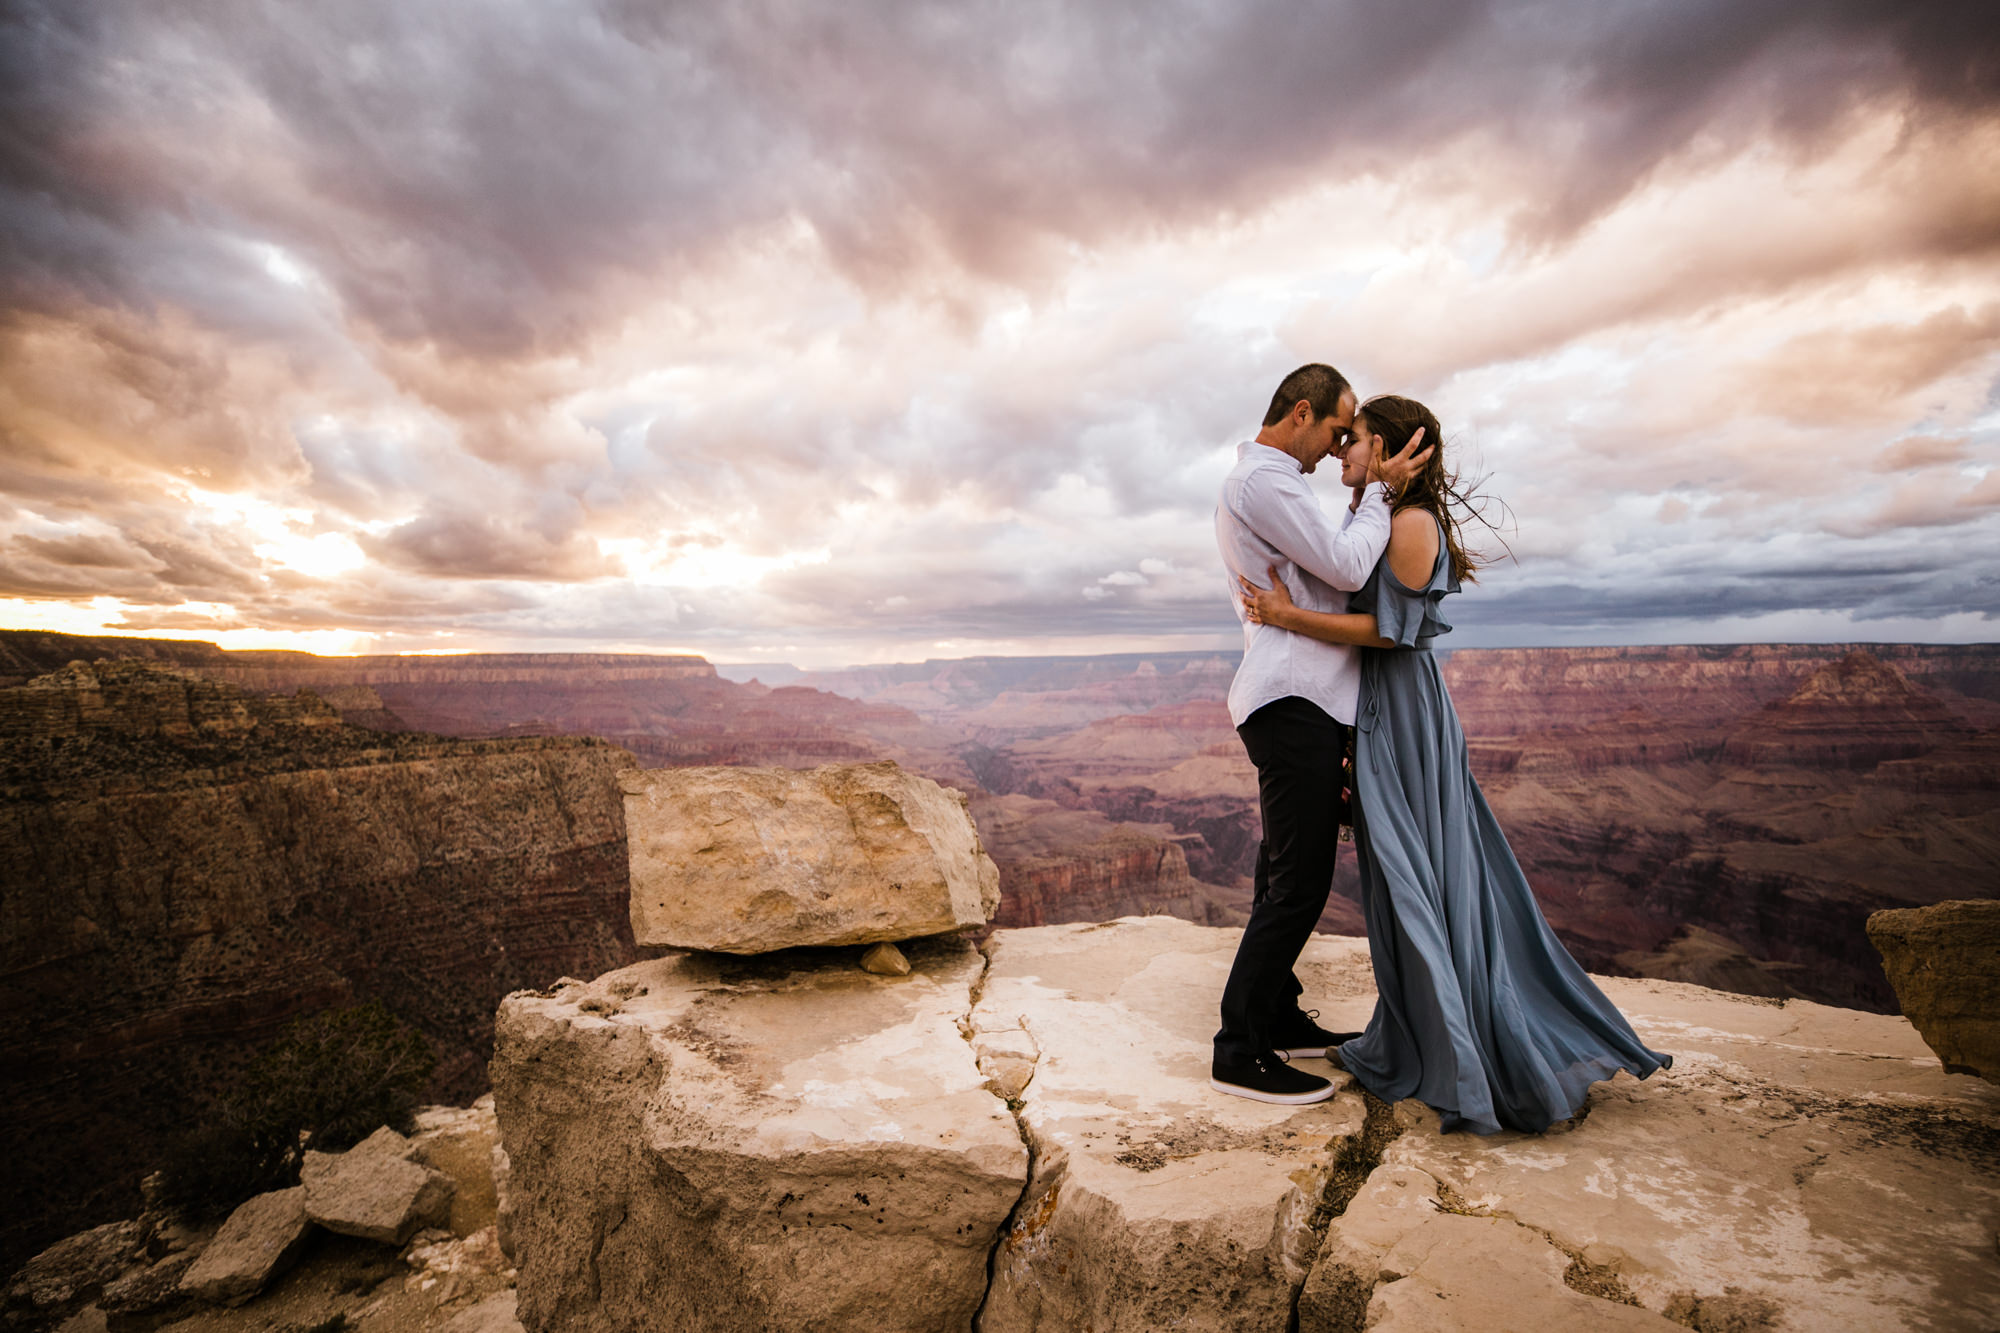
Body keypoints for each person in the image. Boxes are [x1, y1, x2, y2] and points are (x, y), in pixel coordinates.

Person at [1239, 394, 1671, 1133]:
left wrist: (1287, 618)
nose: (1342, 451)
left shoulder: (1410, 524)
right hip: (1378, 712)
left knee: (1419, 874)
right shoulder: (1381, 513)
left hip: (1403, 714)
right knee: (1405, 874)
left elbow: (1390, 633)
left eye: (1356, 440)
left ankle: (1467, 1052)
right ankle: (1427, 1033)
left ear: (1392, 451)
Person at [1210, 365, 1433, 1105]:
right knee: (1299, 884)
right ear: (1300, 412)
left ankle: (1273, 1015)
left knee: (1281, 870)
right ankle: (1239, 1047)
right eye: (1336, 431)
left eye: (1352, 438)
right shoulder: (1265, 484)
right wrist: (1381, 493)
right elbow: (1343, 565)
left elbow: (1332, 579)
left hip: (1301, 695)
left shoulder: (1275, 485)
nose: (1338, 448)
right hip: (1292, 697)